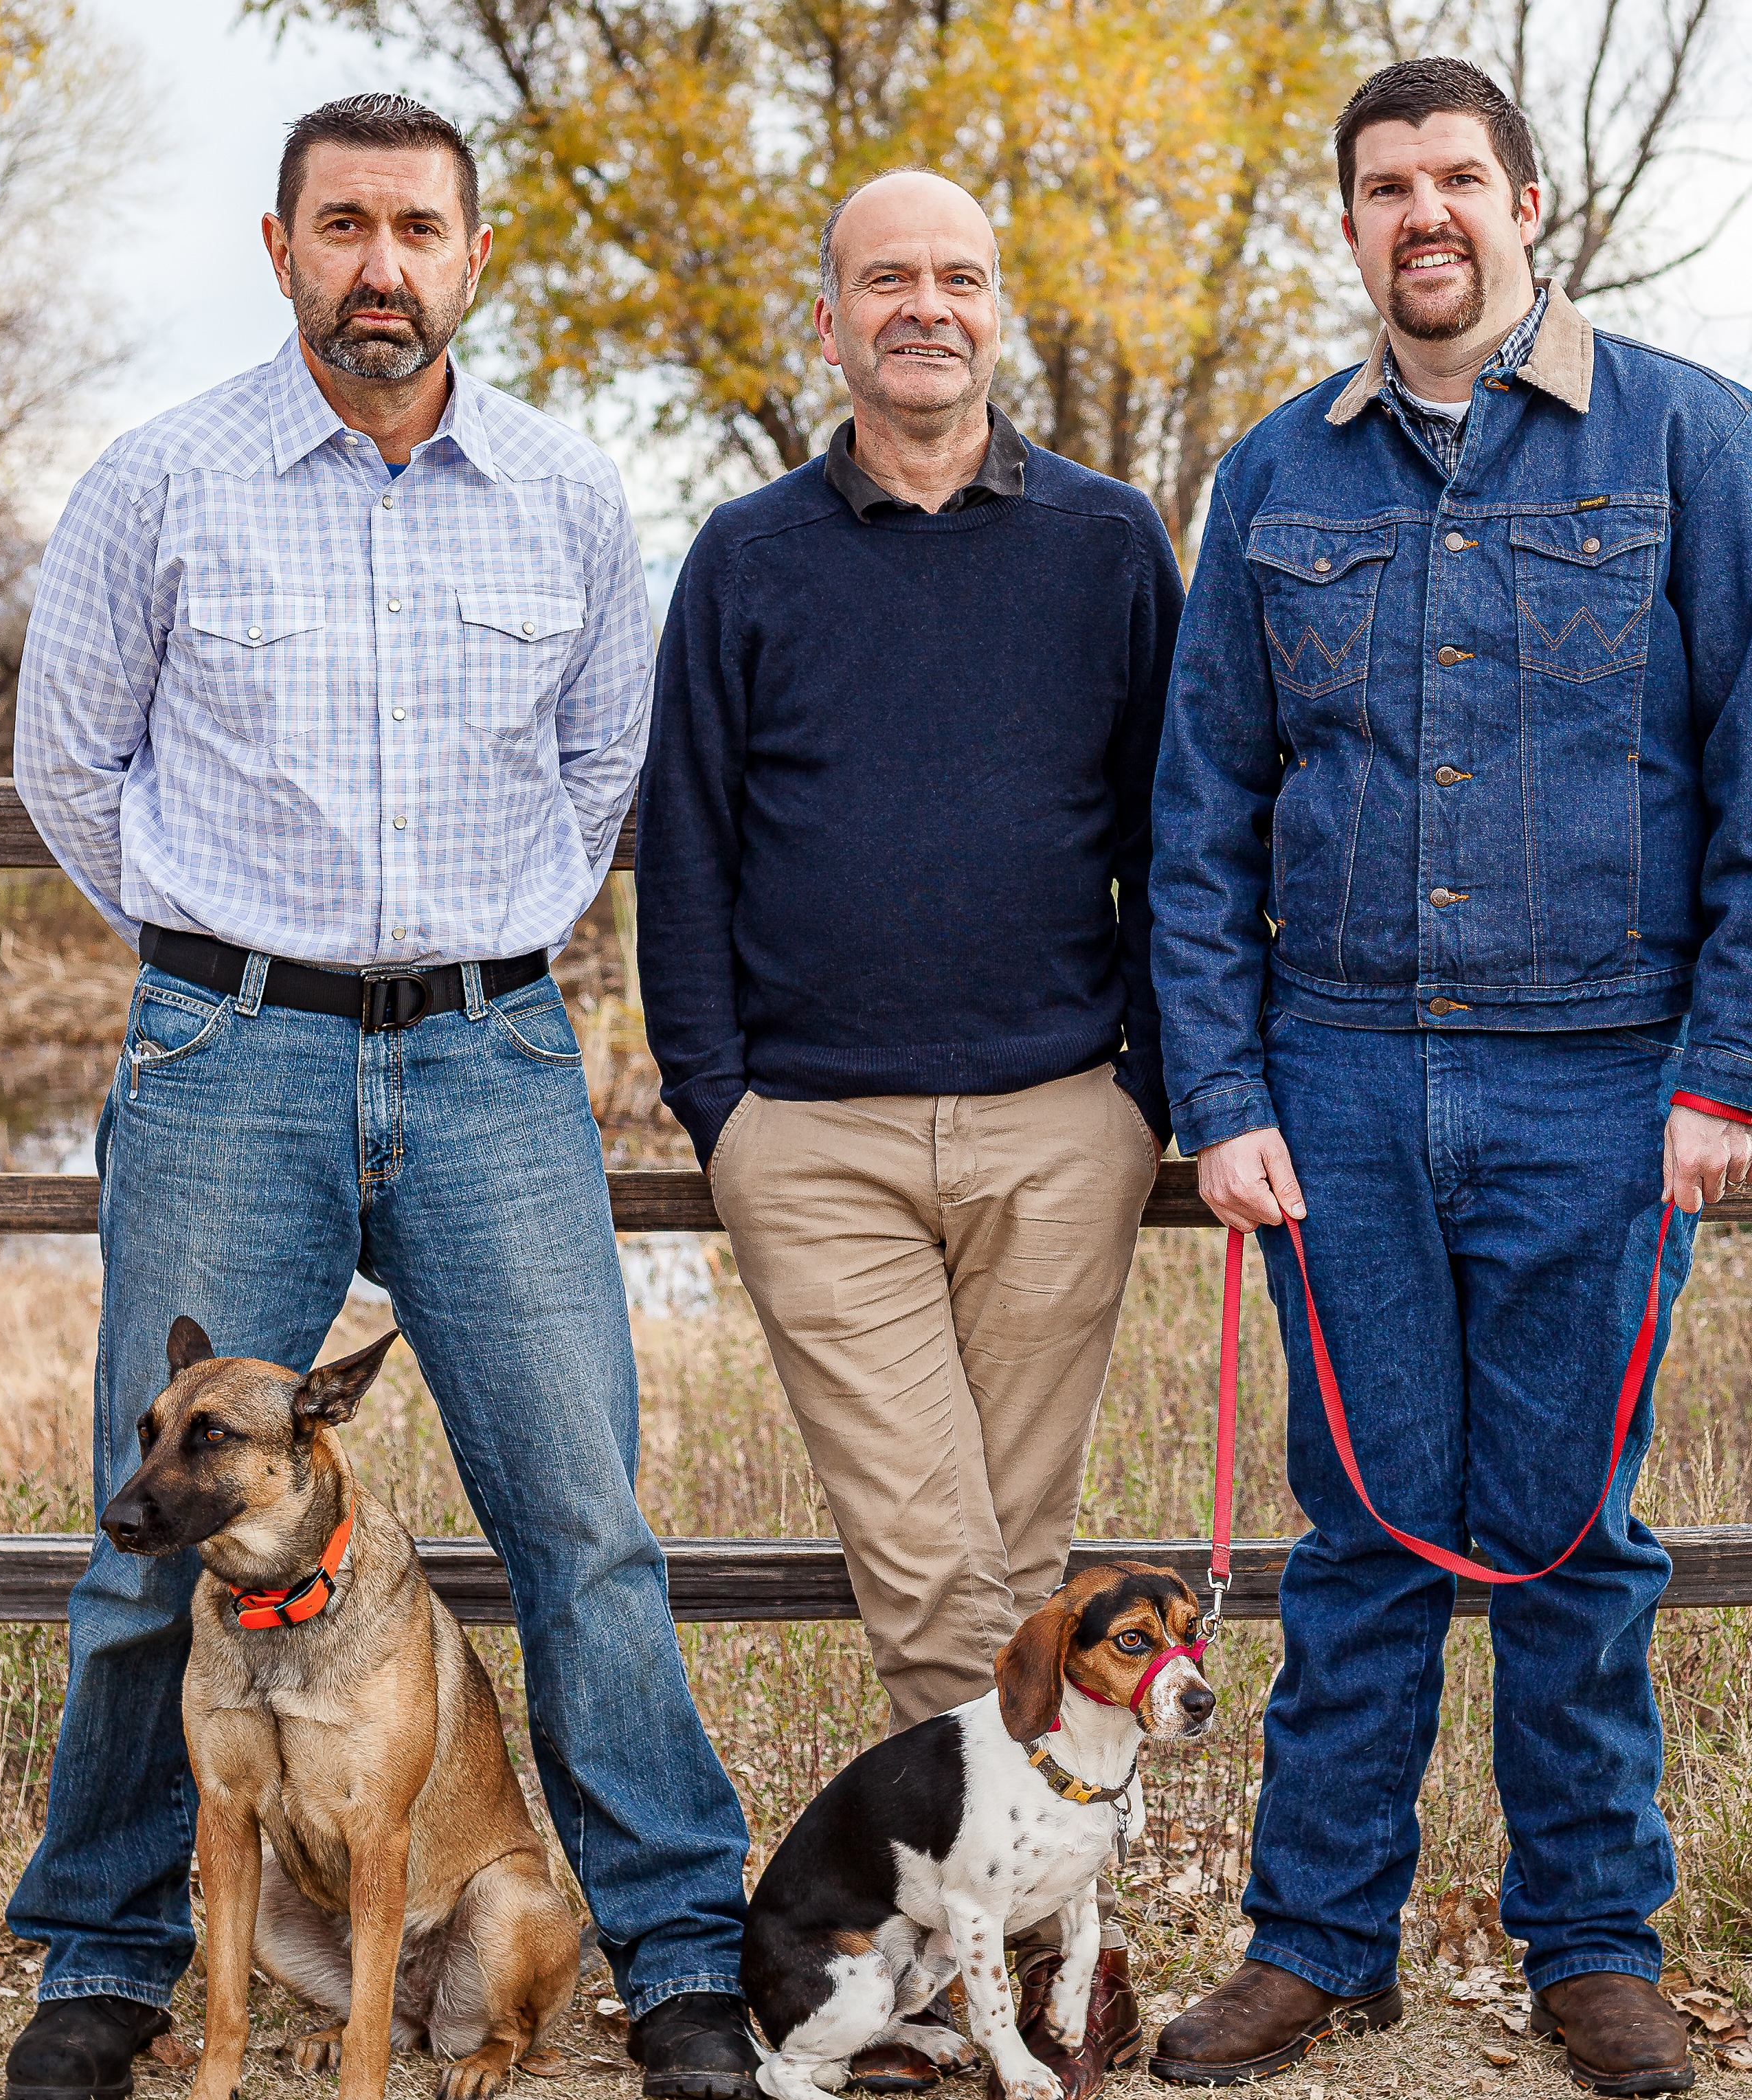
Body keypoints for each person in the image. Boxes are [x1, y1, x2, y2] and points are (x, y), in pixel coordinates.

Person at [3, 93, 759, 2100]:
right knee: (148, 1519)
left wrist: (469, 952)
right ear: (279, 251)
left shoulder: (571, 500)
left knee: (581, 1518)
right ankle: (103, 1952)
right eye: (341, 227)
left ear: (473, 256)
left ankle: (676, 1944)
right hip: (229, 1053)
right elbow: (69, 772)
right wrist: (226, 957)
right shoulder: (161, 483)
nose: (380, 268)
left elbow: (605, 778)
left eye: (416, 228)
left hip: (497, 1061)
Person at [1146, 57, 1752, 2098]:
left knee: (1570, 1532)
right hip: (1337, 1079)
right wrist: (1222, 1094)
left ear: (1533, 202)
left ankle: (1592, 1943)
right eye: (1386, 186)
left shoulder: (1695, 444)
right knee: (1360, 1531)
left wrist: (1727, 1069)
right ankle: (1317, 1944)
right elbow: (1204, 815)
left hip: (1603, 1079)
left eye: (1460, 178)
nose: (1425, 214)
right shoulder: (1279, 477)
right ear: (1350, 225)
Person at [638, 166, 1176, 2092]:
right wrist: (724, 1105)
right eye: (886, 280)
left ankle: (989, 1950)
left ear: (996, 305)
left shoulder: (1111, 546)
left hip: (1060, 1122)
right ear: (834, 318)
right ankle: (1046, 1957)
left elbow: (1170, 835)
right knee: (936, 1562)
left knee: (1016, 1561)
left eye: (956, 275)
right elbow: (683, 843)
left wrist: (1149, 1089)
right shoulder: (748, 556)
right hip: (820, 1137)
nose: (923, 307)